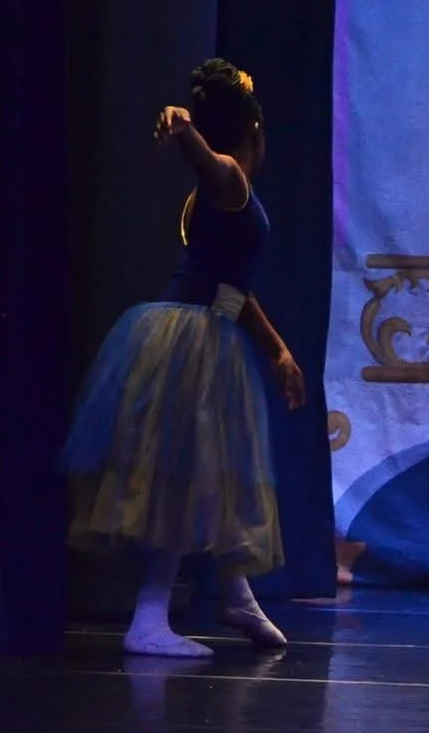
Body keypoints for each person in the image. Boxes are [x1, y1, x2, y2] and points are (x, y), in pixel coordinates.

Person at [63, 58, 306, 657]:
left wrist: (278, 349)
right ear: (255, 129)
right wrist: (184, 128)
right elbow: (205, 161)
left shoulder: (228, 188)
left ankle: (236, 595)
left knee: (207, 472)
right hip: (191, 338)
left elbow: (235, 289)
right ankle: (149, 620)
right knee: (181, 475)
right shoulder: (226, 175)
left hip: (206, 328)